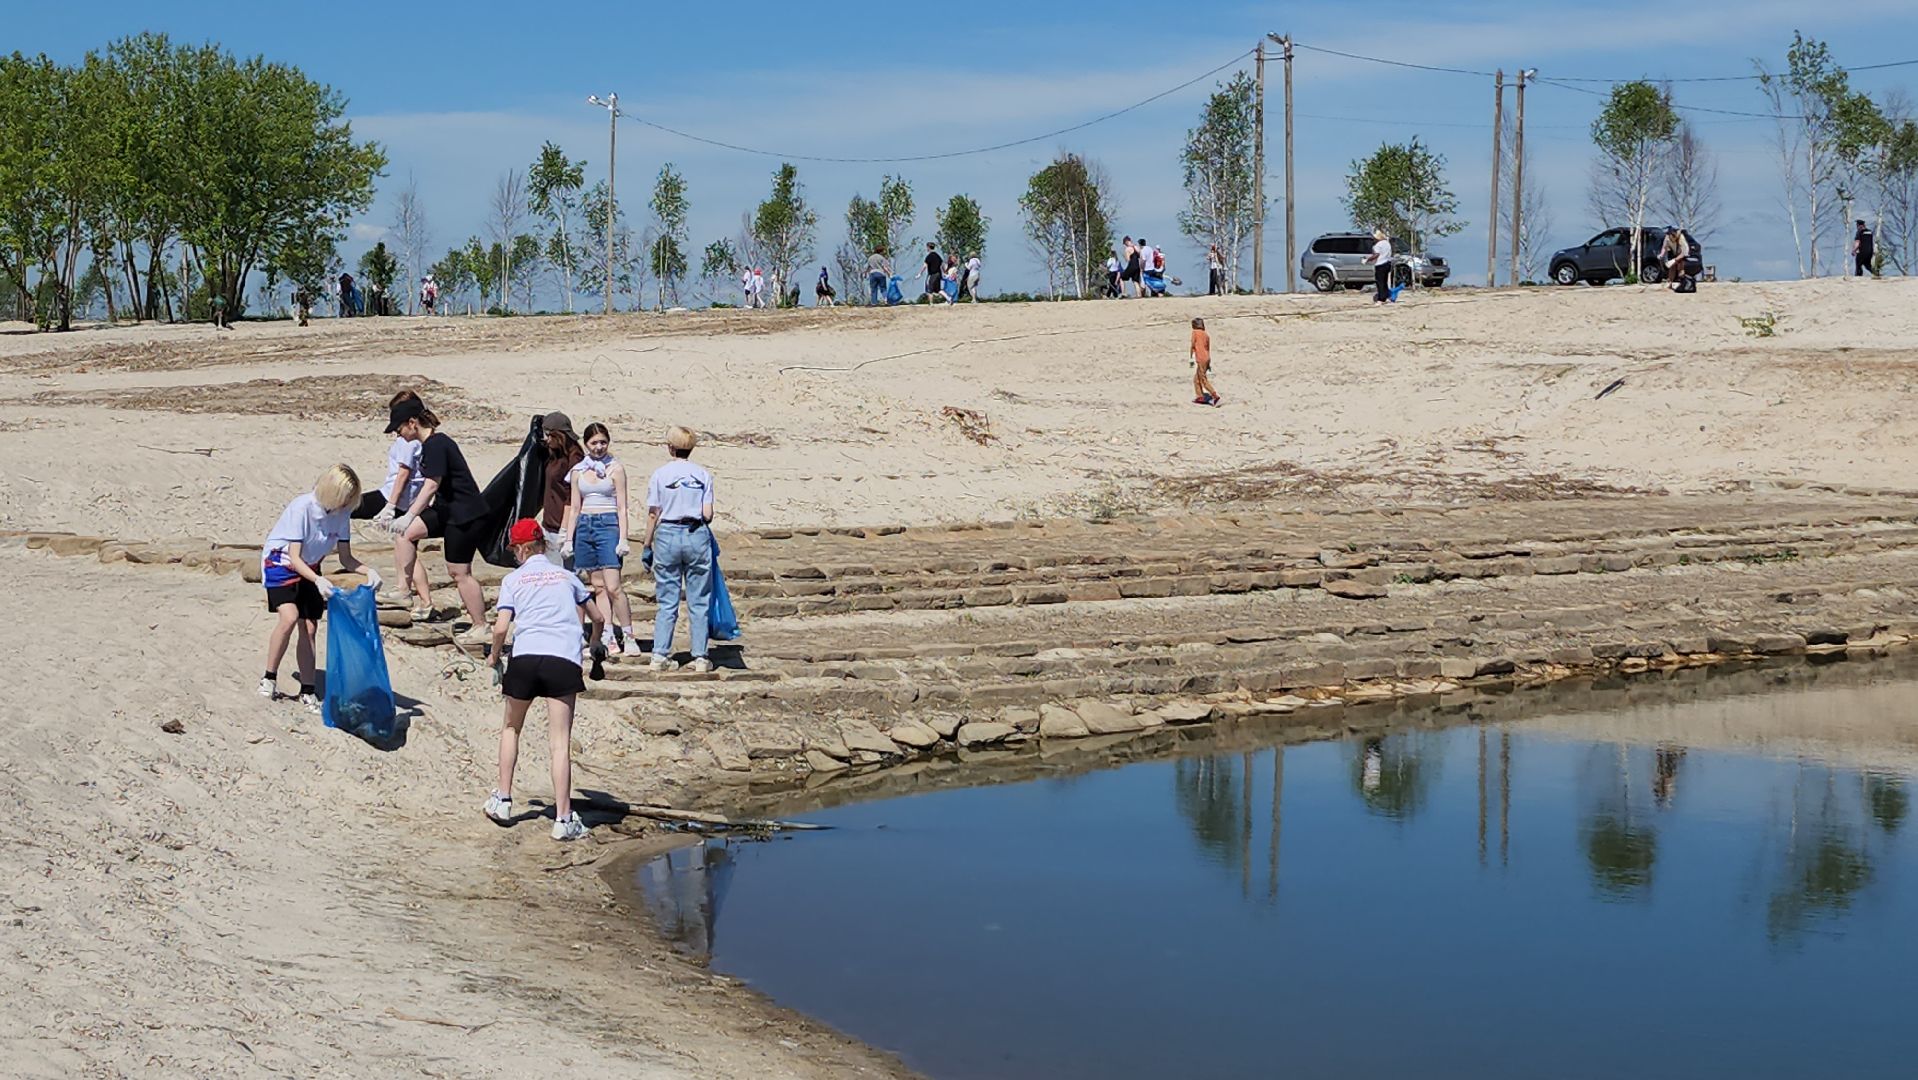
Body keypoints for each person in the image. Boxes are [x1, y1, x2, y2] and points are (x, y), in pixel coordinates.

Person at [483, 518, 605, 842]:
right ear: (543, 545)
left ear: (523, 549)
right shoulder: (568, 577)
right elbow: (599, 617)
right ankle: (564, 819)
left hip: (525, 658)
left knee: (511, 727)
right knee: (559, 743)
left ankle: (503, 799)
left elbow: (500, 627)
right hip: (562, 659)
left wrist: (495, 656)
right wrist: (594, 643)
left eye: (515, 550)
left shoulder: (513, 579)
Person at [259, 465, 378, 714]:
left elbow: (346, 558)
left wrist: (368, 571)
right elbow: (293, 557)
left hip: (310, 568)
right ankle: (269, 677)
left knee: (310, 627)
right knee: (290, 617)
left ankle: (308, 689)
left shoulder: (343, 514)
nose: (346, 504)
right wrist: (317, 580)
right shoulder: (303, 507)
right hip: (281, 565)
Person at [384, 398, 491, 642]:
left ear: (412, 423)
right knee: (404, 534)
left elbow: (432, 485)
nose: (398, 435)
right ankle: (403, 591)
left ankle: (480, 625)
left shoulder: (436, 444)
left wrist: (410, 514)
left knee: (459, 572)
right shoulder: (428, 445)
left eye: (399, 429)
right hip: (447, 510)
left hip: (465, 514)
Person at [560, 423, 645, 658]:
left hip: (608, 525)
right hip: (585, 527)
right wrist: (569, 538)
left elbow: (622, 506)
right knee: (597, 585)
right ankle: (607, 632)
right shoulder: (578, 471)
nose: (599, 447)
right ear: (586, 444)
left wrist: (623, 537)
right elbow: (575, 507)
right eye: (594, 443)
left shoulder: (615, 469)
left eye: (603, 442)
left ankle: (628, 634)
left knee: (614, 586)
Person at [353, 389, 435, 619]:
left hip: (394, 497)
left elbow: (403, 474)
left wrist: (389, 506)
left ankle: (406, 592)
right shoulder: (417, 438)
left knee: (347, 508)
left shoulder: (409, 441)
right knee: (408, 552)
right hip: (403, 499)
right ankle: (425, 600)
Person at [642, 426, 717, 674]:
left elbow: (654, 513)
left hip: (668, 534)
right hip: (696, 533)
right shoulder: (703, 474)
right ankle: (700, 656)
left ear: (670, 447)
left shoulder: (660, 475)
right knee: (699, 599)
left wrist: (646, 544)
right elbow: (708, 514)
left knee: (667, 598)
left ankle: (660, 653)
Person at [537, 411, 585, 563]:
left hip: (563, 527)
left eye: (550, 435)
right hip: (549, 524)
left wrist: (565, 531)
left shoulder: (575, 459)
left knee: (564, 574)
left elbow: (573, 497)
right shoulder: (555, 454)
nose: (547, 440)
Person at [1190, 318, 1220, 407]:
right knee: (1196, 379)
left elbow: (1192, 345)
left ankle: (1215, 395)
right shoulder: (1206, 335)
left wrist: (1191, 358)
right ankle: (1200, 396)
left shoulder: (1195, 332)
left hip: (1200, 358)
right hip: (1207, 358)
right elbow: (1208, 348)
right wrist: (1209, 363)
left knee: (1203, 379)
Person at [1365, 228, 1393, 304]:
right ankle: (1387, 297)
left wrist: (1367, 260)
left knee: (1380, 282)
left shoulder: (1377, 245)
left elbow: (1376, 255)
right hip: (1387, 263)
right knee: (1385, 281)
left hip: (1380, 264)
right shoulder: (1387, 243)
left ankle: (1381, 298)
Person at [1659, 227, 1691, 292]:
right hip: (1674, 252)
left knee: (1680, 268)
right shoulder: (1667, 238)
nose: (1669, 236)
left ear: (1674, 234)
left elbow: (1684, 252)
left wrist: (1675, 260)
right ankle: (1670, 284)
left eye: (1671, 235)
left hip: (1683, 253)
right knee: (1671, 267)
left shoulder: (1681, 238)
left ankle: (1683, 283)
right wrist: (1661, 255)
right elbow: (1664, 247)